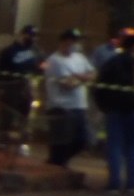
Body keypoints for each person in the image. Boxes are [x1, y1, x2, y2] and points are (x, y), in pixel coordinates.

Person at [94, 31, 134, 193]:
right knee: (133, 148)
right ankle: (131, 184)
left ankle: (114, 183)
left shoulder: (112, 62)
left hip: (115, 110)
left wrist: (103, 106)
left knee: (115, 146)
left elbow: (99, 85)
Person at [40, 28, 95, 166]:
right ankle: (56, 165)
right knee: (61, 142)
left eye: (76, 41)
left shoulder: (79, 57)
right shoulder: (54, 60)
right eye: (72, 41)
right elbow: (68, 84)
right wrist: (83, 78)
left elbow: (93, 74)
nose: (75, 44)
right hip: (61, 106)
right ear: (64, 42)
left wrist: (78, 76)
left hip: (79, 105)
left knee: (82, 140)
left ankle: (58, 162)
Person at [0, 23, 44, 147]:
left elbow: (44, 65)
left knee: (27, 114)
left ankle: (23, 141)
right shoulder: (9, 51)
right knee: (8, 114)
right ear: (22, 35)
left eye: (35, 36)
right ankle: (4, 140)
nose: (33, 38)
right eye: (30, 35)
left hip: (29, 86)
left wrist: (39, 73)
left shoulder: (36, 51)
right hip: (11, 86)